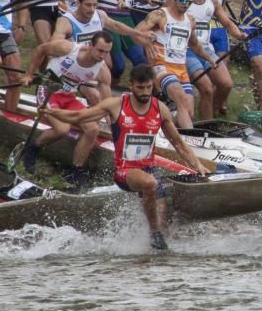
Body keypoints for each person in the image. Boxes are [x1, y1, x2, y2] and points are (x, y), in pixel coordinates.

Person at [41, 64, 208, 251]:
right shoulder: (115, 105)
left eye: (149, 87)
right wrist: (52, 112)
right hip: (124, 171)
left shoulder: (160, 109)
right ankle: (154, 234)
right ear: (131, 86)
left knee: (163, 221)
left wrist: (198, 165)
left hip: (148, 170)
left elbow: (178, 143)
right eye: (140, 88)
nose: (145, 92)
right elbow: (79, 116)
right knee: (150, 184)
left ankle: (155, 253)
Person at [20, 32, 113, 187]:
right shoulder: (67, 49)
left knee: (92, 129)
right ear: (90, 45)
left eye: (107, 52)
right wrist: (29, 75)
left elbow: (108, 101)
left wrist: (113, 119)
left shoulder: (102, 71)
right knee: (62, 129)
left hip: (69, 98)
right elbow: (41, 49)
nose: (103, 56)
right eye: (100, 50)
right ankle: (32, 148)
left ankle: (75, 171)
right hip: (48, 92)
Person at [135, 0, 216, 129]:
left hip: (181, 69)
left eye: (189, 2)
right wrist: (146, 43)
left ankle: (160, 122)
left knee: (188, 113)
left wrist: (209, 58)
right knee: (182, 102)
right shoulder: (160, 15)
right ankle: (189, 144)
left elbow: (194, 45)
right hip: (161, 66)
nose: (185, 5)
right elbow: (135, 32)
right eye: (183, 0)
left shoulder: (190, 20)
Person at [185, 0, 246, 121]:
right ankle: (207, 124)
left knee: (226, 84)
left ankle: (208, 115)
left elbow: (227, 22)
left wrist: (239, 34)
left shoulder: (212, 1)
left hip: (206, 50)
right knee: (206, 89)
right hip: (187, 51)